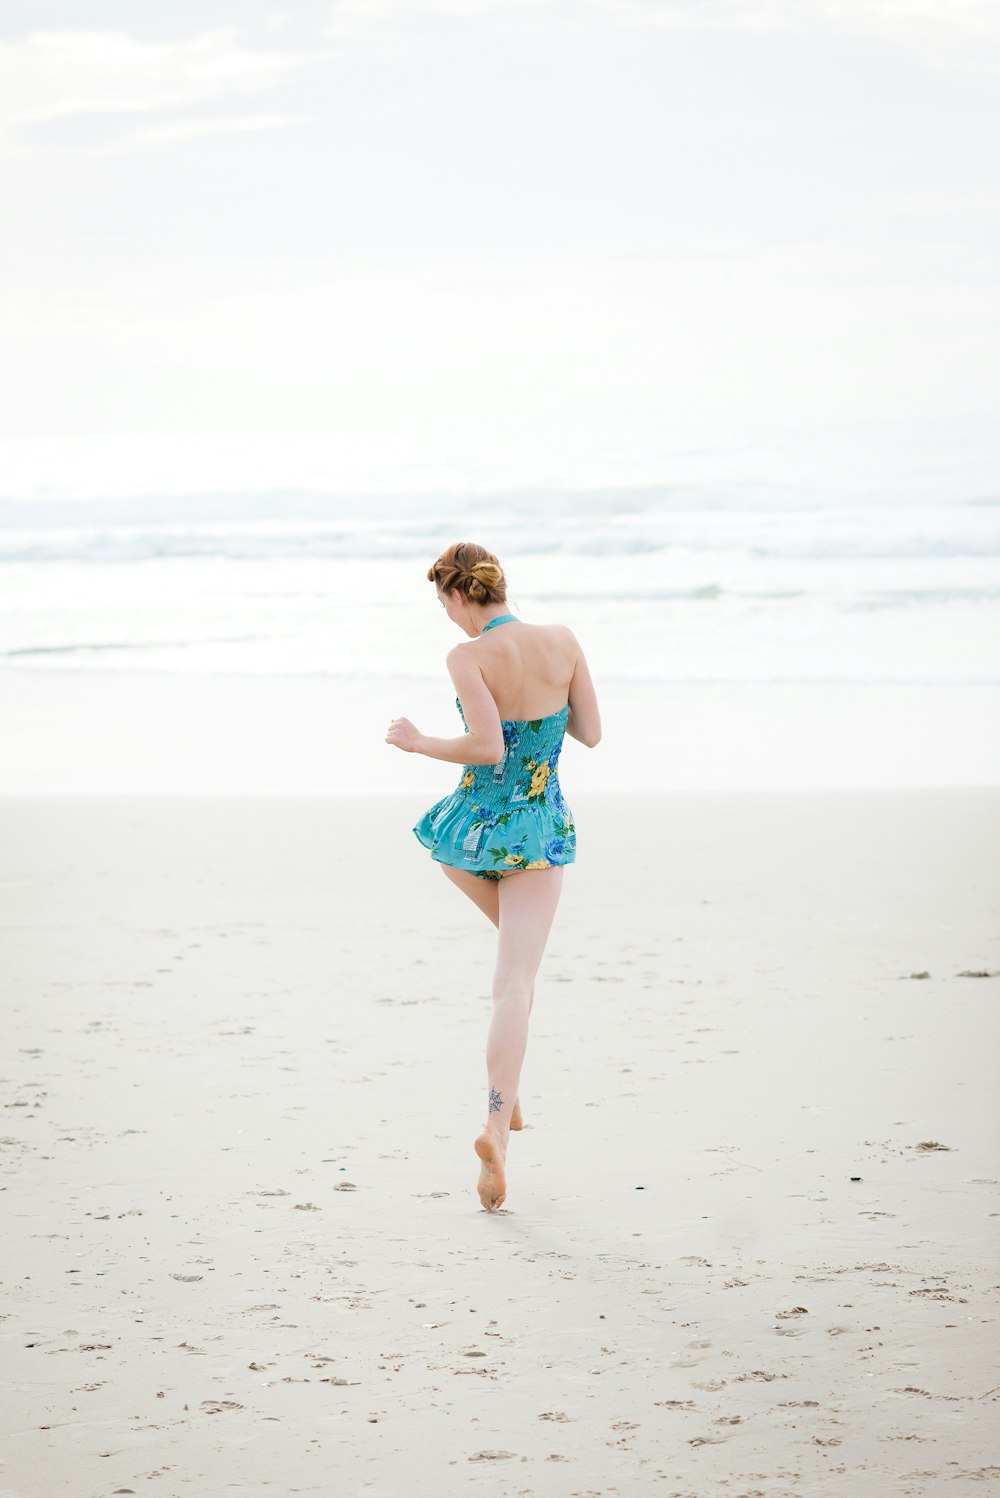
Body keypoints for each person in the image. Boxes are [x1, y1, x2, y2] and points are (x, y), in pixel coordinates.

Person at [385, 541, 602, 1211]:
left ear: (456, 596)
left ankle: (503, 1109)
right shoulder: (562, 640)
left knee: (512, 975)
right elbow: (590, 733)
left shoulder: (467, 656)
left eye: (442, 605)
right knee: (516, 984)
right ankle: (496, 1122)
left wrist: (418, 740)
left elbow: (484, 747)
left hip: (470, 835)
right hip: (537, 831)